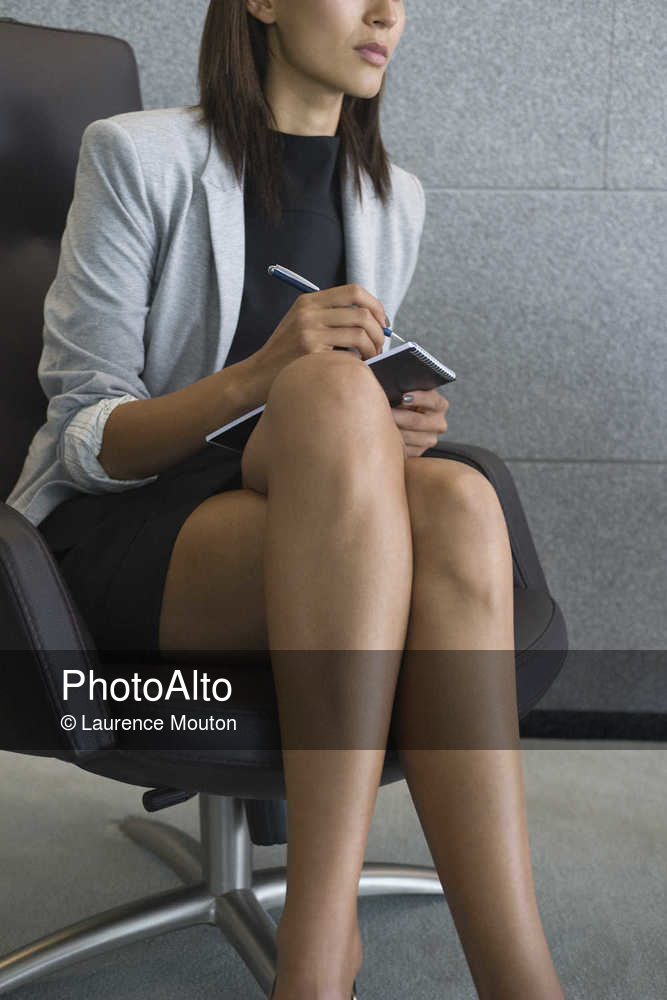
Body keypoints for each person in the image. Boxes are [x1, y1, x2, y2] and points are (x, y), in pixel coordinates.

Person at [6, 2, 566, 998]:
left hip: (313, 539)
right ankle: (319, 934)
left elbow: (331, 439)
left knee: (457, 500)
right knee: (321, 386)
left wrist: (382, 432)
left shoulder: (392, 196)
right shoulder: (138, 157)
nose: (387, 14)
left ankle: (519, 980)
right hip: (127, 542)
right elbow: (86, 435)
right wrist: (264, 374)